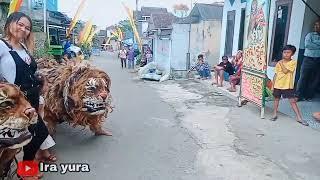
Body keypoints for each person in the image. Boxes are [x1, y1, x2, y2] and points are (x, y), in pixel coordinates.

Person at [0, 12, 49, 179]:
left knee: (36, 134)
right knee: (22, 138)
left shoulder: (24, 48)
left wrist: (41, 79)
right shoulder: (1, 45)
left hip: (31, 98)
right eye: (20, 24)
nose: (23, 29)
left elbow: (30, 71)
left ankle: (26, 169)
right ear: (10, 23)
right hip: (16, 103)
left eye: (27, 28)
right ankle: (20, 170)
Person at [270, 45, 308, 126]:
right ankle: (274, 114)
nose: (286, 54)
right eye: (284, 52)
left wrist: (280, 63)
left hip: (287, 86)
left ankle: (299, 118)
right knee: (276, 99)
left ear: (292, 54)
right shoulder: (279, 63)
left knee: (292, 101)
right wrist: (273, 85)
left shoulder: (293, 62)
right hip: (277, 84)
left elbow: (285, 71)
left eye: (288, 52)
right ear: (282, 53)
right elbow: (275, 75)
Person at [35, 73, 57, 163]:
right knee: (42, 138)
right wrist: (43, 124)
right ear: (40, 87)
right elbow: (39, 115)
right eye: (47, 85)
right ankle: (38, 155)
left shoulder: (38, 97)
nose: (48, 87)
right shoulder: (40, 100)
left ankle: (44, 153)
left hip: (39, 121)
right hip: (38, 122)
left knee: (44, 139)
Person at [296, 20, 320, 101]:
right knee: (302, 78)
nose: (316, 27)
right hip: (308, 59)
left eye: (318, 25)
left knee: (314, 79)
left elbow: (311, 45)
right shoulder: (310, 35)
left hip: (318, 60)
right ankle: (298, 96)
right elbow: (308, 45)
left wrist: (315, 44)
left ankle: (308, 96)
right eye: (315, 25)